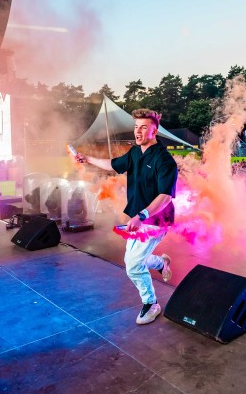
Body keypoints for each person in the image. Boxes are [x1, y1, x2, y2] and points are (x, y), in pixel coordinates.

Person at [75, 109, 178, 325]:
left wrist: (142, 215)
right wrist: (87, 159)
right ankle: (161, 263)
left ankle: (151, 304)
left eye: (143, 127)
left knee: (132, 265)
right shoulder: (134, 153)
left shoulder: (164, 160)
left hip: (156, 220)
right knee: (133, 260)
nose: (138, 132)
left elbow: (165, 197)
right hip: (137, 218)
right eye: (136, 127)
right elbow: (113, 165)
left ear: (154, 130)